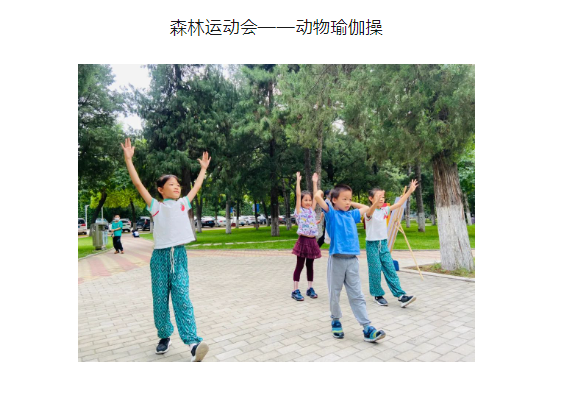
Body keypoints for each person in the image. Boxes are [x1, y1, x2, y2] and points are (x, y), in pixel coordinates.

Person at [121, 137, 210, 362]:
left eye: (178, 184)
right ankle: (164, 336)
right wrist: (128, 160)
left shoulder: (183, 204)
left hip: (179, 256)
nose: (177, 186)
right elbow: (138, 185)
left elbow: (197, 186)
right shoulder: (156, 207)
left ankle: (193, 343)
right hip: (160, 258)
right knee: (160, 301)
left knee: (182, 298)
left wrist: (203, 169)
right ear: (161, 190)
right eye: (172, 184)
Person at [314, 185, 386, 343]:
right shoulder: (332, 214)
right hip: (337, 260)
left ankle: (367, 328)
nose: (348, 202)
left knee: (357, 295)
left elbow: (366, 207)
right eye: (344, 199)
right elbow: (318, 196)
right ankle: (335, 320)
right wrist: (324, 193)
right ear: (334, 200)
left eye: (350, 199)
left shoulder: (352, 215)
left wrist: (350, 203)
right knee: (335, 293)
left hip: (352, 260)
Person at [351, 180, 418, 308]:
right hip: (372, 245)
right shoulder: (368, 212)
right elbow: (369, 211)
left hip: (383, 244)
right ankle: (377, 295)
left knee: (390, 270)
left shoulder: (385, 210)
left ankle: (401, 296)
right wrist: (373, 202)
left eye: (383, 197)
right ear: (371, 198)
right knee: (375, 271)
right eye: (378, 197)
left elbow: (399, 204)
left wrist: (410, 191)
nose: (382, 199)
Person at [291, 172, 322, 301]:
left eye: (309, 200)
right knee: (300, 265)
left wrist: (315, 182)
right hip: (303, 241)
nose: (308, 202)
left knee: (310, 265)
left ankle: (310, 288)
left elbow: (316, 197)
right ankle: (295, 290)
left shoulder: (311, 210)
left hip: (312, 241)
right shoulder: (299, 211)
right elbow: (298, 195)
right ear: (301, 201)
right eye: (306, 200)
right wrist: (298, 181)